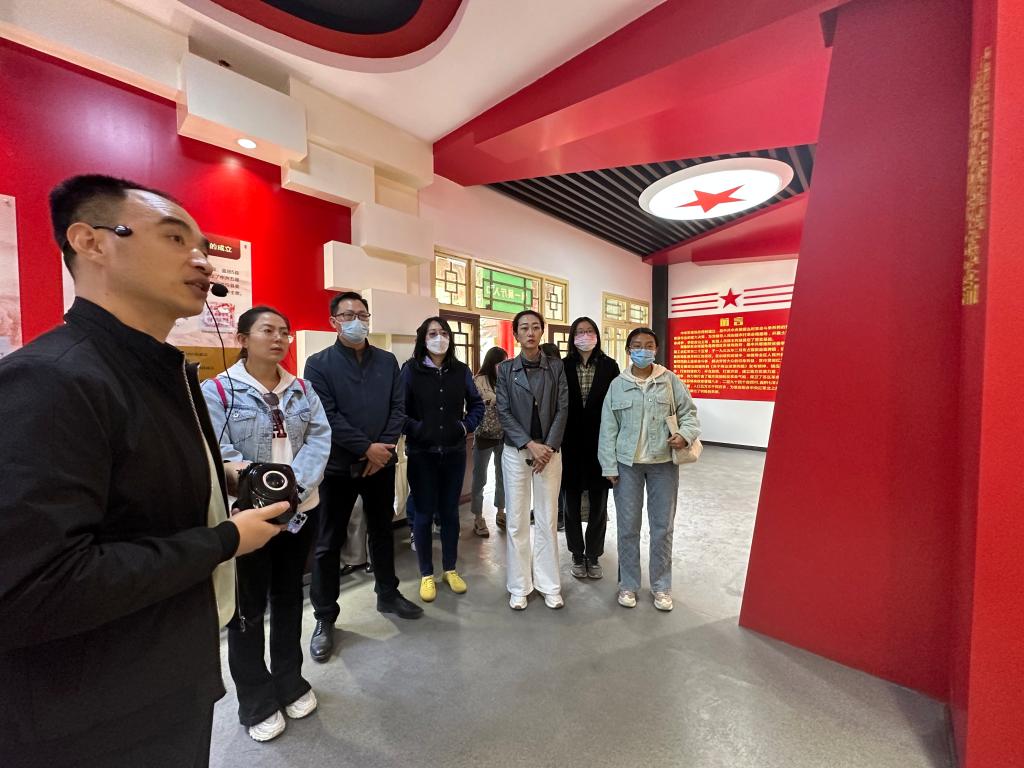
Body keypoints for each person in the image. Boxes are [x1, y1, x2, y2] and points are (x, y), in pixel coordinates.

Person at [0, 175, 286, 768]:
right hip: (92, 716)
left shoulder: (162, 371)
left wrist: (218, 479)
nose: (202, 260)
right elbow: (33, 585)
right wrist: (224, 540)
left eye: (202, 245)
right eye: (175, 238)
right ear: (91, 242)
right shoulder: (51, 378)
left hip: (166, 678)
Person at [202, 306, 331, 742]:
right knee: (247, 607)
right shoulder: (219, 391)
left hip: (300, 511)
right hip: (247, 518)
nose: (278, 339)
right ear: (242, 339)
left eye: (284, 332)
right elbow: (218, 451)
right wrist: (260, 491)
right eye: (267, 330)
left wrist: (293, 490)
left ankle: (290, 680)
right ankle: (255, 698)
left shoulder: (303, 390)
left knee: (290, 596)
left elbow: (319, 438)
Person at [304, 291, 422, 664]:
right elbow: (326, 414)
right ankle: (325, 617)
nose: (356, 320)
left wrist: (381, 449)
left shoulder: (387, 361)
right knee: (328, 542)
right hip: (338, 467)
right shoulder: (318, 364)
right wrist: (365, 448)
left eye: (362, 314)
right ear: (333, 322)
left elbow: (398, 408)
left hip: (380, 465)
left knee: (382, 531)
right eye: (347, 315)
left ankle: (388, 593)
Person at [598, 327, 700, 612]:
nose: (643, 350)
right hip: (627, 466)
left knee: (662, 527)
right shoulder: (618, 384)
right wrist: (609, 465)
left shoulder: (669, 381)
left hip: (663, 464)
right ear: (629, 350)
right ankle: (628, 584)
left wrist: (684, 435)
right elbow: (608, 428)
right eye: (637, 345)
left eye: (649, 345)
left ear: (656, 349)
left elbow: (690, 414)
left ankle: (661, 586)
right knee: (628, 527)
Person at [401, 317, 484, 602]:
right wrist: (418, 429)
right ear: (423, 339)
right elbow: (399, 410)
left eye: (444, 333)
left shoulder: (460, 371)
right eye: (433, 333)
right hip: (421, 454)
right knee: (423, 515)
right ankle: (426, 574)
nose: (439, 338)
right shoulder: (410, 370)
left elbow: (477, 404)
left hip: (454, 453)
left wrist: (464, 426)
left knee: (450, 513)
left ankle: (450, 569)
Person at [495, 310, 568, 610]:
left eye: (535, 327)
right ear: (515, 334)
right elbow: (503, 411)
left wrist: (547, 447)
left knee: (547, 519)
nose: (530, 332)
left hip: (549, 453)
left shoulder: (556, 367)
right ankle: (519, 585)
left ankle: (549, 585)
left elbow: (563, 408)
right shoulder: (505, 369)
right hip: (516, 452)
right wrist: (529, 444)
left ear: (542, 332)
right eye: (524, 328)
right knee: (516, 521)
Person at [561, 317, 620, 580]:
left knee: (599, 503)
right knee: (571, 503)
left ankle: (594, 555)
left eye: (589, 331)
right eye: (580, 331)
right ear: (573, 337)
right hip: (569, 444)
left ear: (596, 335)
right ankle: (576, 553)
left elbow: (616, 405)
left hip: (601, 444)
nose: (585, 335)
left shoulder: (609, 366)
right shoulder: (563, 366)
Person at [471, 346, 508, 534]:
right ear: (492, 362)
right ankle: (478, 517)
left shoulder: (506, 379)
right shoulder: (478, 380)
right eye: (501, 362)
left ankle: (501, 512)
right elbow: (474, 404)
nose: (503, 365)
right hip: (483, 435)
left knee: (503, 476)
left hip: (503, 435)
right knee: (480, 478)